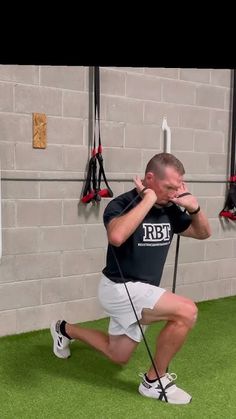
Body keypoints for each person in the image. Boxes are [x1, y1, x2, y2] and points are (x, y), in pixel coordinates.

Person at [50, 152, 211, 405]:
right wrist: (147, 199)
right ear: (149, 178)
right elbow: (116, 237)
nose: (173, 193)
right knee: (186, 311)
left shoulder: (171, 209)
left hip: (142, 292)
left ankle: (63, 329)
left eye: (177, 187)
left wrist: (195, 208)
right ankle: (153, 381)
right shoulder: (122, 204)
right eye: (169, 187)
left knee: (118, 354)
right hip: (119, 289)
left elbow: (203, 233)